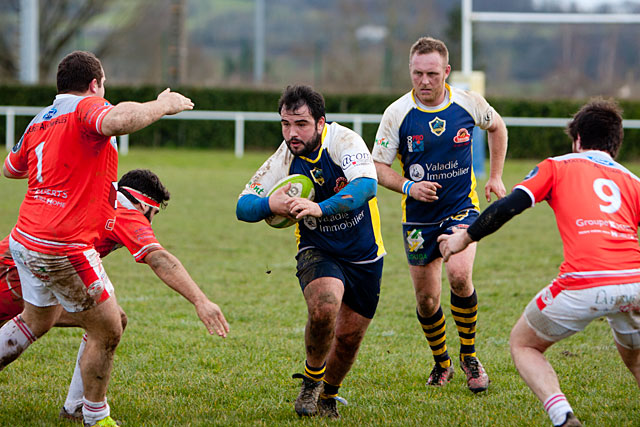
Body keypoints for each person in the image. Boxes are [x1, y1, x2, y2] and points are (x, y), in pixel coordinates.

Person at [1, 50, 194, 427]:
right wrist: (162, 104)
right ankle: (93, 414)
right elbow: (117, 119)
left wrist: (61, 173)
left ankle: (82, 408)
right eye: (103, 85)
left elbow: (12, 169)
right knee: (109, 326)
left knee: (35, 323)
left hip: (26, 236)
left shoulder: (41, 119)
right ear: (94, 85)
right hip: (61, 243)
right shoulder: (86, 108)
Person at [438, 98, 640, 427]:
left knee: (523, 344)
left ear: (577, 139)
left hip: (584, 283)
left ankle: (563, 416)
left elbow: (507, 207)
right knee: (637, 359)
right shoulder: (633, 181)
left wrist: (462, 239)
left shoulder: (558, 165)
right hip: (634, 283)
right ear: (615, 144)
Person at [0, 169, 230, 421]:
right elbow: (160, 259)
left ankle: (78, 406)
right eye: (153, 214)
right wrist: (201, 300)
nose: (150, 222)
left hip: (18, 262)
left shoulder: (100, 198)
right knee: (99, 322)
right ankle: (84, 409)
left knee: (105, 319)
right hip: (16, 276)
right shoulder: (126, 212)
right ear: (143, 205)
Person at [236, 84, 385, 419]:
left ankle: (328, 395)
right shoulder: (285, 157)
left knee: (348, 338)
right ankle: (312, 379)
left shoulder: (344, 142)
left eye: (300, 124)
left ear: (320, 122)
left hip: (365, 252)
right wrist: (268, 204)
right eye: (286, 124)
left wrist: (321, 208)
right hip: (318, 248)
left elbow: (367, 185)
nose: (292, 133)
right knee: (324, 307)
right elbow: (242, 206)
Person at [371, 36, 508, 393]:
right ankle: (441, 362)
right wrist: (408, 187)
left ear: (446, 71)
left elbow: (498, 127)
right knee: (427, 299)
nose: (425, 81)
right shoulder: (397, 113)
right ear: (410, 72)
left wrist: (494, 176)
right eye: (418, 73)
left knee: (460, 276)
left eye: (432, 73)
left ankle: (470, 356)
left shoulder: (467, 102)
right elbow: (378, 167)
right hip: (418, 218)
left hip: (462, 208)